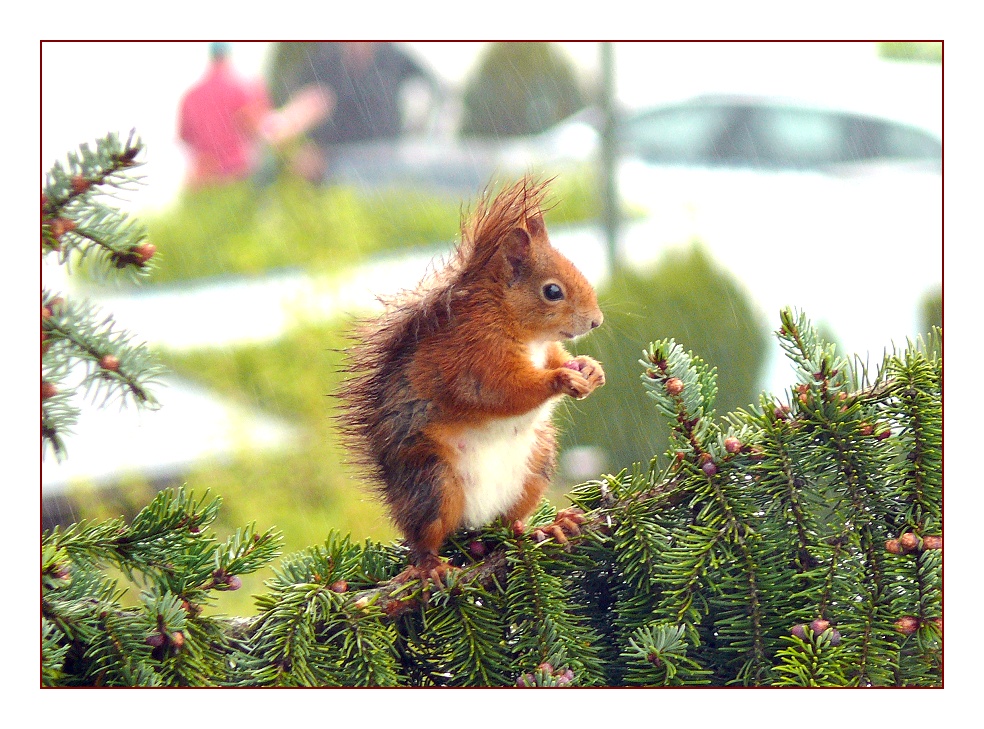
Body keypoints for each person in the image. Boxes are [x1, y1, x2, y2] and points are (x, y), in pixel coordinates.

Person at [269, 42, 437, 182]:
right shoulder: (326, 59)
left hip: (383, 158)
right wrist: (304, 147)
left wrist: (417, 128)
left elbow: (429, 89)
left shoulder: (394, 59)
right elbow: (303, 104)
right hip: (333, 160)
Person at [178, 42, 271, 188]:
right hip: (239, 176)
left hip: (205, 180)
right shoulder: (245, 87)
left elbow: (184, 137)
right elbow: (258, 129)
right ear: (228, 56)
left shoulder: (190, 97)